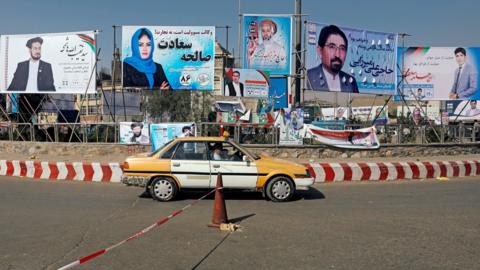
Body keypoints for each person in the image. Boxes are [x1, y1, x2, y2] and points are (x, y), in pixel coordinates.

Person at [307, 25, 358, 93]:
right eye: (332, 47)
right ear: (320, 51)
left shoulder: (351, 82)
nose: (337, 55)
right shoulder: (308, 77)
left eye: (342, 48)